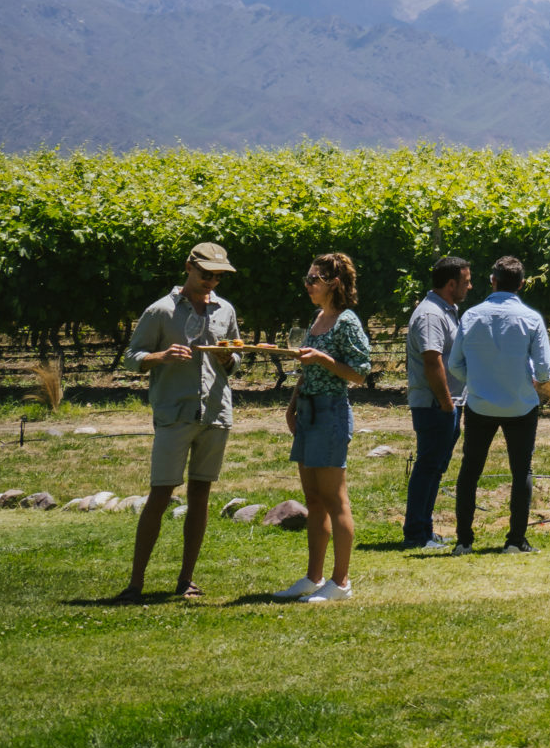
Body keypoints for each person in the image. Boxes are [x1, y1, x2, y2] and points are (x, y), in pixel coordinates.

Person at [113, 242, 244, 602]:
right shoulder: (160, 311)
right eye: (206, 274)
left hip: (216, 413)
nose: (212, 281)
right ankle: (135, 583)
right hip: (174, 414)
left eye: (218, 276)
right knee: (160, 494)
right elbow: (130, 358)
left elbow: (236, 361)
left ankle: (186, 580)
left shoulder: (224, 310)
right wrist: (161, 355)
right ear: (189, 268)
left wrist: (227, 359)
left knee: (200, 496)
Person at [271, 252, 372, 604]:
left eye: (314, 279)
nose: (307, 285)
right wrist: (292, 404)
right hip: (309, 411)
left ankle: (341, 582)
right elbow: (306, 370)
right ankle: (313, 577)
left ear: (334, 283)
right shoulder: (318, 318)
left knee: (334, 498)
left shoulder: (347, 322)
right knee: (314, 500)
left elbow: (360, 372)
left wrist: (324, 360)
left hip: (331, 413)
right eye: (307, 279)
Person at [446, 256, 550, 556]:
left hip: (480, 404)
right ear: (521, 284)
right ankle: (515, 540)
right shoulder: (531, 318)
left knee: (470, 470)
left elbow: (454, 364)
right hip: (521, 404)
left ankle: (464, 540)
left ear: (492, 281)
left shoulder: (470, 316)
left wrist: (477, 380)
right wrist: (532, 378)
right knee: (521, 472)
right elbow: (545, 368)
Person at [402, 256, 467, 551]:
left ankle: (425, 530)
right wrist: (446, 404)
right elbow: (432, 360)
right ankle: (416, 533)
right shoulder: (431, 315)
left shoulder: (446, 310)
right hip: (435, 404)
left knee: (434, 467)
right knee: (428, 466)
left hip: (444, 404)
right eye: (466, 281)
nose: (470, 286)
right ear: (450, 283)